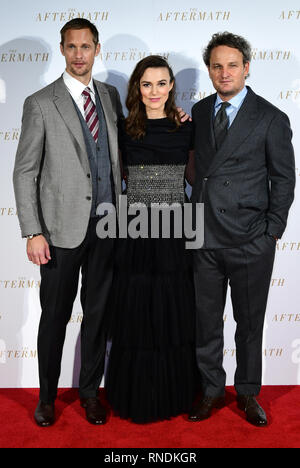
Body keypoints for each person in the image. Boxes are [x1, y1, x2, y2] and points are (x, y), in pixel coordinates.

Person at [13, 18, 124, 427]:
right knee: (55, 317)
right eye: (71, 46)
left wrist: (175, 119)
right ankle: (46, 397)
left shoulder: (111, 97)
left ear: (97, 48)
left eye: (86, 46)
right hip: (58, 232)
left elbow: (126, 145)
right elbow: (25, 171)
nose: (79, 54)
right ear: (62, 49)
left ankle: (90, 393)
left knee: (98, 316)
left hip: (108, 227)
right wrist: (32, 230)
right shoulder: (41, 102)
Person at [189, 32, 295, 426]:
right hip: (204, 238)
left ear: (247, 68)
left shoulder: (271, 118)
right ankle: (210, 390)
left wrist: (272, 230)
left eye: (232, 65)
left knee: (250, 324)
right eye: (217, 65)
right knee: (206, 321)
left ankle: (248, 393)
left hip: (251, 239)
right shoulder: (199, 113)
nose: (224, 72)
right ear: (210, 70)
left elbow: (284, 179)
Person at [104, 55, 198, 423]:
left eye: (161, 83)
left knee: (174, 309)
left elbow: (195, 176)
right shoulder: (122, 128)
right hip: (136, 227)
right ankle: (137, 394)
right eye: (147, 84)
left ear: (172, 86)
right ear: (137, 89)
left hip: (176, 225)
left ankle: (174, 393)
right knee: (138, 311)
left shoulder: (187, 127)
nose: (154, 91)